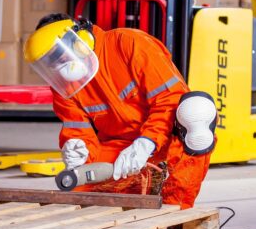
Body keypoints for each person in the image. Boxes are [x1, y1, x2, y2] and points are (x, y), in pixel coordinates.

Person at [24, 13, 217, 209]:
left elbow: (170, 100)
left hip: (166, 136)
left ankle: (175, 211)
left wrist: (146, 142)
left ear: (80, 41)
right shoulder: (64, 86)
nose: (57, 67)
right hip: (121, 147)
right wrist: (77, 149)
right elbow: (77, 128)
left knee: (197, 112)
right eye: (49, 63)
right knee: (78, 190)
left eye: (58, 56)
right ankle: (140, 188)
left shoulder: (130, 43)